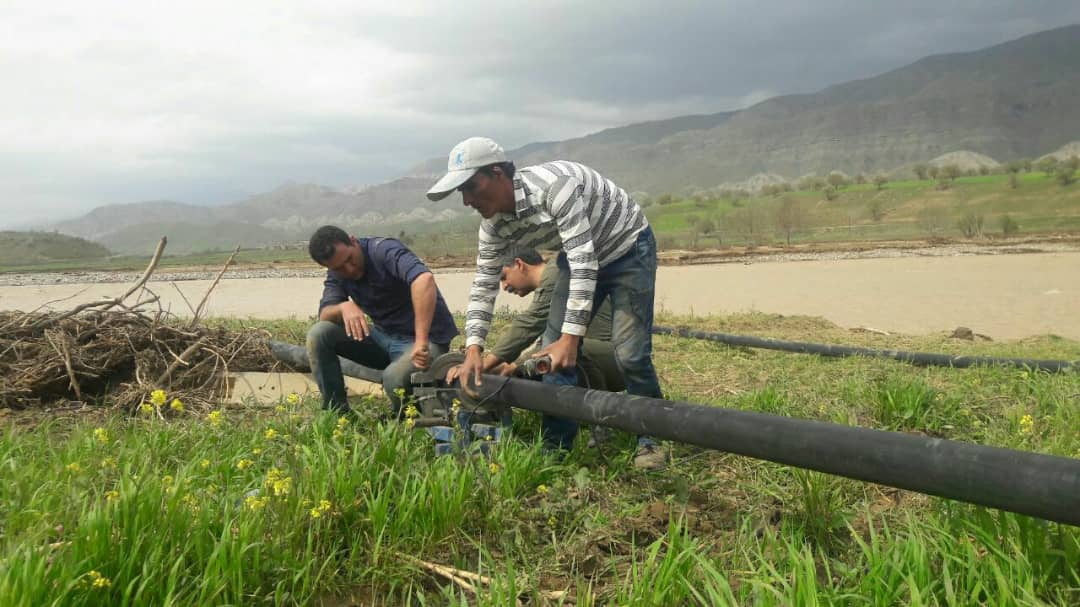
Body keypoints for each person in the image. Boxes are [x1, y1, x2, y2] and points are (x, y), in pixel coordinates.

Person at [429, 137, 666, 469]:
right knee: (551, 357)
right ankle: (556, 451)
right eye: (461, 193)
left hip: (627, 248)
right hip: (578, 254)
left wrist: (571, 339)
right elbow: (483, 285)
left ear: (497, 173)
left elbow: (586, 262)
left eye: (471, 187)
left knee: (630, 354)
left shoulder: (554, 189)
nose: (467, 200)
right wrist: (473, 349)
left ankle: (652, 436)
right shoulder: (493, 226)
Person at [305, 225, 459, 416]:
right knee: (319, 334)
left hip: (425, 341)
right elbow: (325, 314)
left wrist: (421, 341)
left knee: (393, 379)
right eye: (339, 268)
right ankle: (337, 413)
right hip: (384, 337)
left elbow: (424, 280)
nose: (349, 269)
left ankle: (406, 417)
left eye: (349, 259)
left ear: (353, 241)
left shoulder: (383, 251)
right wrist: (343, 307)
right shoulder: (337, 272)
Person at [483, 245, 624, 395]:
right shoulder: (552, 277)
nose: (504, 286)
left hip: (614, 358)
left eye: (503, 277)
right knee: (541, 361)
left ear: (519, 264)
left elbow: (530, 323)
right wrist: (514, 365)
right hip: (599, 356)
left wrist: (486, 365)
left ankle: (598, 409)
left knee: (566, 350)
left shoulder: (557, 273)